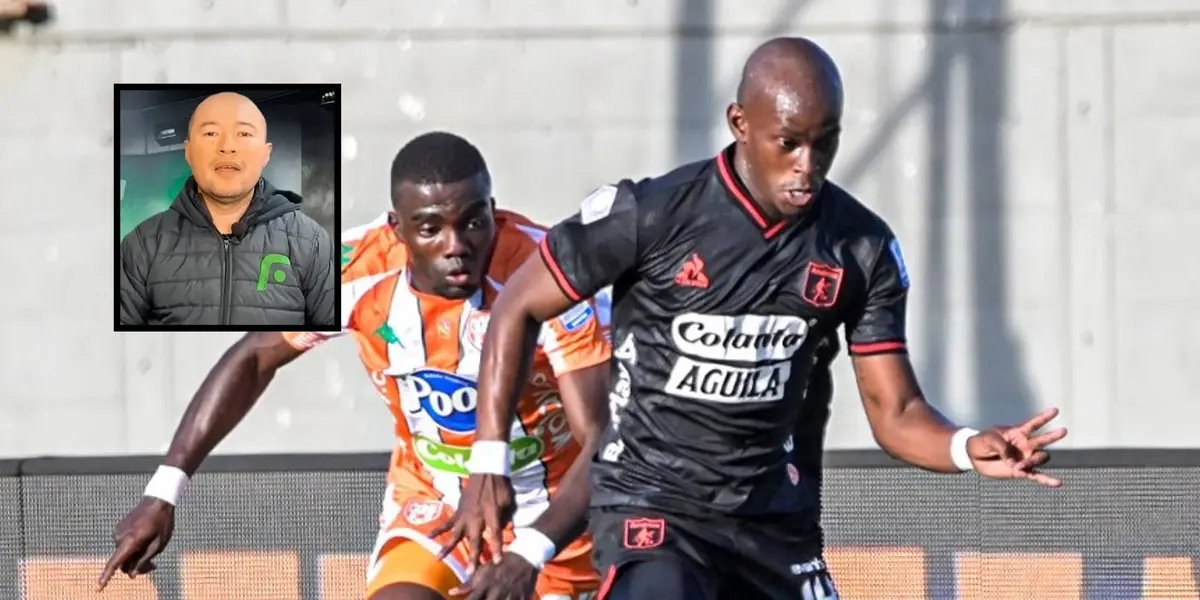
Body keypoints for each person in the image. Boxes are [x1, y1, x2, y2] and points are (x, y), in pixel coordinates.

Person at [440, 37, 1069, 600]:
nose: (807, 164)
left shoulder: (860, 247)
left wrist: (965, 446)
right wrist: (487, 461)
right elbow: (519, 305)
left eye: (825, 143)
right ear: (740, 123)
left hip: (773, 523)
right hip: (655, 507)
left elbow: (897, 413)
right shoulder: (652, 213)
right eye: (788, 143)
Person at [98, 132, 611, 600]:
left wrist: (532, 550)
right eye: (430, 228)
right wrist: (164, 491)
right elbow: (255, 356)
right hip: (434, 502)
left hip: (556, 520)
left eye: (474, 223)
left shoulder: (550, 274)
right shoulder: (356, 270)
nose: (456, 246)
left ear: (493, 211)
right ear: (398, 229)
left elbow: (603, 442)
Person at [119, 91, 336, 327]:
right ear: (188, 151)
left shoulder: (311, 241)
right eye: (211, 133)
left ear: (265, 154)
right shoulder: (141, 245)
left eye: (243, 133)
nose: (227, 147)